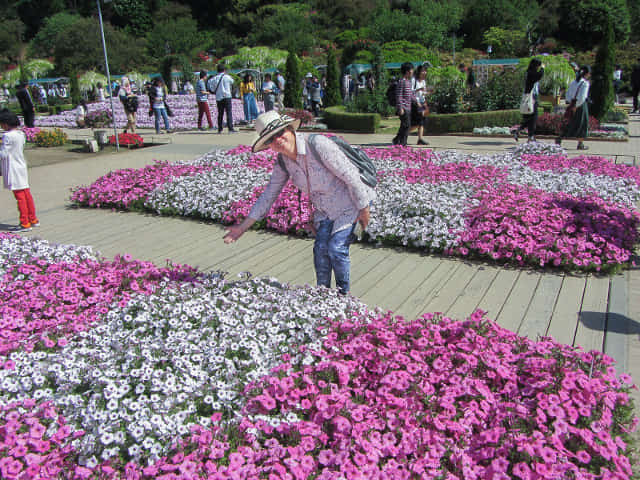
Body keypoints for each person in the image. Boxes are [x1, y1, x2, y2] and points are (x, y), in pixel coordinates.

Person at [223, 111, 375, 295]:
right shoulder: (283, 161)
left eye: (280, 133)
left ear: (290, 129)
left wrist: (364, 209)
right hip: (325, 210)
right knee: (320, 250)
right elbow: (269, 194)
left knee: (336, 248)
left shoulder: (317, 145)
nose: (278, 140)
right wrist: (242, 228)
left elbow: (351, 177)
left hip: (350, 203)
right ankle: (323, 294)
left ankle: (343, 297)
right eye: (271, 139)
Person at [0, 109, 39, 232]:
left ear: (6, 123)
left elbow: (3, 154)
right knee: (26, 193)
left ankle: (24, 223)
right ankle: (33, 219)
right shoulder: (21, 134)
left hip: (12, 168)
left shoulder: (7, 136)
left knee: (20, 196)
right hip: (21, 165)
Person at [556, 65, 591, 150]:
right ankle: (580, 143)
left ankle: (560, 138)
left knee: (569, 121)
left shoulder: (573, 82)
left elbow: (568, 95)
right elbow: (582, 97)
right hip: (580, 105)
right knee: (582, 124)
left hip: (572, 103)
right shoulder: (585, 83)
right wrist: (577, 106)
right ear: (587, 74)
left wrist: (571, 103)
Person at [513, 58, 545, 143]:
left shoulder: (529, 73)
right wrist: (542, 68)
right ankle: (529, 136)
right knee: (533, 118)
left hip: (531, 97)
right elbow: (539, 76)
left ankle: (522, 132)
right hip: (531, 98)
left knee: (530, 118)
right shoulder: (531, 73)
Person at [208, 64, 236, 134]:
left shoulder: (214, 78)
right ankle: (230, 128)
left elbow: (210, 86)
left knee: (220, 113)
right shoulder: (227, 77)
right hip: (227, 96)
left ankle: (220, 128)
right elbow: (232, 82)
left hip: (219, 97)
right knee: (228, 112)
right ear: (224, 70)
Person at [392, 62, 415, 146]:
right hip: (404, 108)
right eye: (412, 70)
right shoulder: (401, 82)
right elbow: (398, 96)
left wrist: (417, 102)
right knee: (406, 126)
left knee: (405, 125)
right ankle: (403, 143)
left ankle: (397, 140)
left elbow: (411, 95)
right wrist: (400, 108)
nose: (413, 72)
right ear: (407, 71)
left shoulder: (408, 82)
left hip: (408, 108)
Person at [411, 65, 429, 146]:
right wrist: (419, 89)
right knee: (417, 122)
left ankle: (420, 139)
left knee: (422, 121)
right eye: (423, 71)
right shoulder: (414, 80)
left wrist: (427, 93)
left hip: (422, 102)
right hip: (416, 103)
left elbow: (423, 93)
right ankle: (403, 135)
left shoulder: (423, 81)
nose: (424, 72)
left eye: (425, 71)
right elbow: (411, 92)